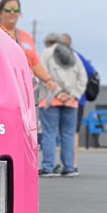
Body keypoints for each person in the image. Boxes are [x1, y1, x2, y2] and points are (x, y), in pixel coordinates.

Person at [38, 33, 87, 177]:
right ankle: (69, 167)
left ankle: (48, 167)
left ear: (48, 42)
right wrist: (73, 95)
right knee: (68, 134)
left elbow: (41, 75)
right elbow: (83, 77)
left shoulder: (46, 53)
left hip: (50, 99)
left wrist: (58, 93)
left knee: (49, 133)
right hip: (71, 102)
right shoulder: (74, 55)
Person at [0, 0, 59, 97]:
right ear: (0, 12)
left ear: (19, 13)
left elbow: (35, 63)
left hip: (25, 90)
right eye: (8, 10)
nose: (12, 13)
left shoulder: (26, 37)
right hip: (1, 88)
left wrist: (48, 80)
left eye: (16, 10)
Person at [62, 33, 98, 167]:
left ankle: (71, 162)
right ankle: (70, 162)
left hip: (74, 99)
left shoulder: (74, 56)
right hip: (74, 99)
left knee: (70, 132)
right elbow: (90, 71)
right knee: (70, 132)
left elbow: (89, 72)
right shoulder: (77, 56)